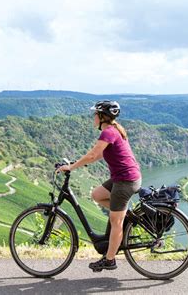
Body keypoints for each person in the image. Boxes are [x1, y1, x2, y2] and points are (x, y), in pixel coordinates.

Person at [57, 100, 142, 271]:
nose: (93, 117)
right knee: (97, 195)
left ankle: (110, 260)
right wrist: (77, 163)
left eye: (95, 114)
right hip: (124, 177)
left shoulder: (109, 132)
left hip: (125, 181)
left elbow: (93, 154)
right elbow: (97, 155)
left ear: (103, 117)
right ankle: (123, 216)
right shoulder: (113, 130)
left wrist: (71, 167)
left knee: (115, 221)